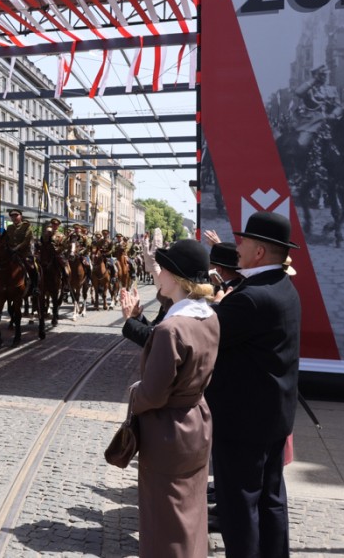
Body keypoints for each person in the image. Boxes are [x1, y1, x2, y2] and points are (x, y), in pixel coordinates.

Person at [206, 211, 301, 558]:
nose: (238, 247)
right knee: (271, 500)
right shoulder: (282, 285)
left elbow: (200, 339)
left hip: (243, 423)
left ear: (259, 252)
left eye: (243, 241)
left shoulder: (250, 297)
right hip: (274, 416)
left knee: (239, 506)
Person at [120, 239, 219, 558]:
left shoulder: (171, 329)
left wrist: (134, 394)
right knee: (190, 514)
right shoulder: (209, 316)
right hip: (197, 423)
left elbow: (153, 393)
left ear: (176, 278)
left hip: (168, 432)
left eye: (162, 269)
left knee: (164, 520)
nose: (157, 274)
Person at [3, 208, 38, 296]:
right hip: (11, 253)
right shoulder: (9, 227)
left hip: (24, 253)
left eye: (16, 215)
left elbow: (26, 240)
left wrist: (17, 247)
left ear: (20, 216)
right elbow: (6, 240)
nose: (14, 218)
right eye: (12, 216)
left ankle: (35, 287)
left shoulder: (26, 227)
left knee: (33, 268)